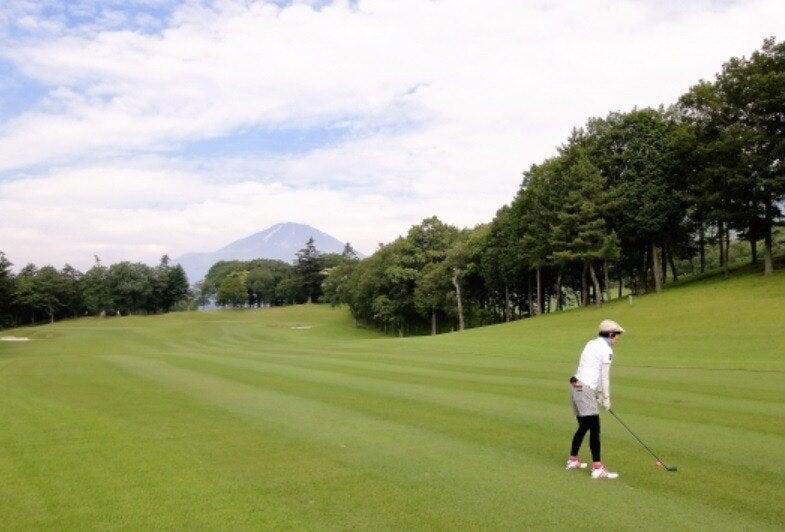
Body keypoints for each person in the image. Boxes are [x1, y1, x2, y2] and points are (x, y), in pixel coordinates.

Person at [565, 319, 624, 479]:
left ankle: (573, 460)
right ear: (611, 334)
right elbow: (604, 377)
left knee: (584, 426)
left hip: (576, 384)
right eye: (617, 335)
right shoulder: (607, 350)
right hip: (585, 387)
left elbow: (589, 369)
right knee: (595, 428)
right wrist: (606, 397)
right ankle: (597, 468)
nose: (618, 338)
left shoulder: (591, 344)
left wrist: (597, 393)